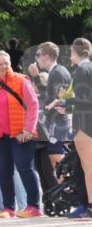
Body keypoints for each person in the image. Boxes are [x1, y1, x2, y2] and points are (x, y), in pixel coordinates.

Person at [0, 50, 42, 218]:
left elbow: (33, 105)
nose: (4, 66)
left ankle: (34, 206)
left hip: (21, 134)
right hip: (0, 136)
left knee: (24, 168)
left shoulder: (22, 81)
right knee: (4, 171)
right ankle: (8, 208)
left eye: (6, 63)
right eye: (0, 64)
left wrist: (28, 129)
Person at [48, 38, 92, 218]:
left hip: (84, 124)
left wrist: (64, 102)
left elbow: (84, 99)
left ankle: (90, 207)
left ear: (74, 52)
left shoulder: (82, 69)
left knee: (88, 167)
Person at [28, 42, 73, 177]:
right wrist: (36, 77)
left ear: (46, 56)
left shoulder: (57, 72)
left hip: (58, 124)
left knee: (59, 166)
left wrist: (39, 112)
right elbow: (51, 96)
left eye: (38, 55)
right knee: (57, 165)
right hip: (57, 123)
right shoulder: (57, 71)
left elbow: (56, 102)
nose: (36, 58)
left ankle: (66, 195)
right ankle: (64, 193)